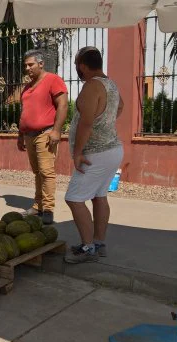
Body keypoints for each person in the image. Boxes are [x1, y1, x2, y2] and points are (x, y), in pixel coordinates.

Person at [64, 46, 124, 264]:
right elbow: (120, 108)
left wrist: (78, 153)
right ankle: (98, 243)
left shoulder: (92, 86)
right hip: (112, 149)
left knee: (74, 198)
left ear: (82, 66)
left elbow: (86, 123)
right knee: (99, 196)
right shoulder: (111, 85)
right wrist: (105, 123)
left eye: (76, 66)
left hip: (96, 153)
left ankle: (88, 247)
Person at [18, 50, 69, 225]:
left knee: (46, 172)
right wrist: (20, 135)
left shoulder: (53, 80)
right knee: (37, 172)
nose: (27, 68)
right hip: (29, 135)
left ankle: (48, 209)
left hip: (45, 133)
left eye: (30, 64)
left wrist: (56, 130)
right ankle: (37, 205)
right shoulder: (27, 87)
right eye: (25, 65)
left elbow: (63, 104)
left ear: (41, 64)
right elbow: (24, 112)